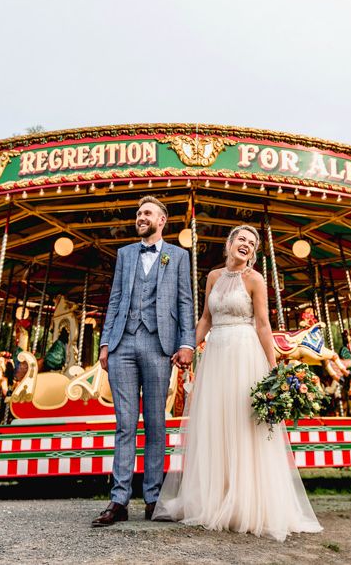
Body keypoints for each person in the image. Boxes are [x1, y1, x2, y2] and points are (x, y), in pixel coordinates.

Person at [153, 225, 322, 541]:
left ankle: (247, 500)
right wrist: (187, 346)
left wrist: (274, 371)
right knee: (215, 423)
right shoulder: (213, 277)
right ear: (228, 244)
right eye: (241, 239)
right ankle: (215, 497)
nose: (246, 244)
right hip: (216, 353)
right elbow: (205, 319)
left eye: (252, 242)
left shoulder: (255, 280)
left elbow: (262, 324)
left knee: (243, 423)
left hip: (244, 352)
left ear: (254, 252)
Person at [92, 196, 195, 527]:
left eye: (147, 213)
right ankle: (119, 499)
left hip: (158, 343)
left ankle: (152, 499)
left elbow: (184, 302)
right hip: (123, 341)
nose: (140, 217)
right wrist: (106, 343)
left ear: (162, 220)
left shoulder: (178, 256)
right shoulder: (125, 254)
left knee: (155, 422)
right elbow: (116, 297)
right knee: (124, 423)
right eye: (138, 213)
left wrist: (186, 343)